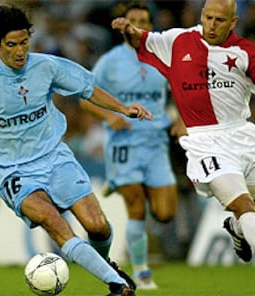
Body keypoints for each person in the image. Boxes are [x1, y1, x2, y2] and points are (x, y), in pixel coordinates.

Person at [0, 6, 154, 296]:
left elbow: (88, 88)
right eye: (11, 45)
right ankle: (117, 285)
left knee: (97, 226)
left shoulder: (46, 66)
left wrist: (123, 108)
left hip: (55, 157)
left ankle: (105, 263)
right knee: (53, 220)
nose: (20, 51)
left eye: (24, 43)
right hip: (14, 170)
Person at [112, 0, 255, 285]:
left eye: (220, 20)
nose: (212, 25)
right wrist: (128, 30)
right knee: (243, 205)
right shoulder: (177, 40)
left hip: (243, 136)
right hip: (204, 140)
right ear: (201, 15)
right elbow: (142, 41)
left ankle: (236, 228)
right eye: (208, 17)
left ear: (233, 22)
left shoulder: (247, 52)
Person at [80, 2, 179, 290]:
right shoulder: (110, 61)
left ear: (150, 24)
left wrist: (182, 120)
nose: (136, 24)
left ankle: (116, 181)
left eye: (142, 20)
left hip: (156, 143)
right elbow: (84, 98)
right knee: (136, 207)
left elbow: (183, 92)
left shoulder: (163, 56)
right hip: (124, 142)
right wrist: (110, 116)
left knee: (165, 213)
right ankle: (143, 272)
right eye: (132, 19)